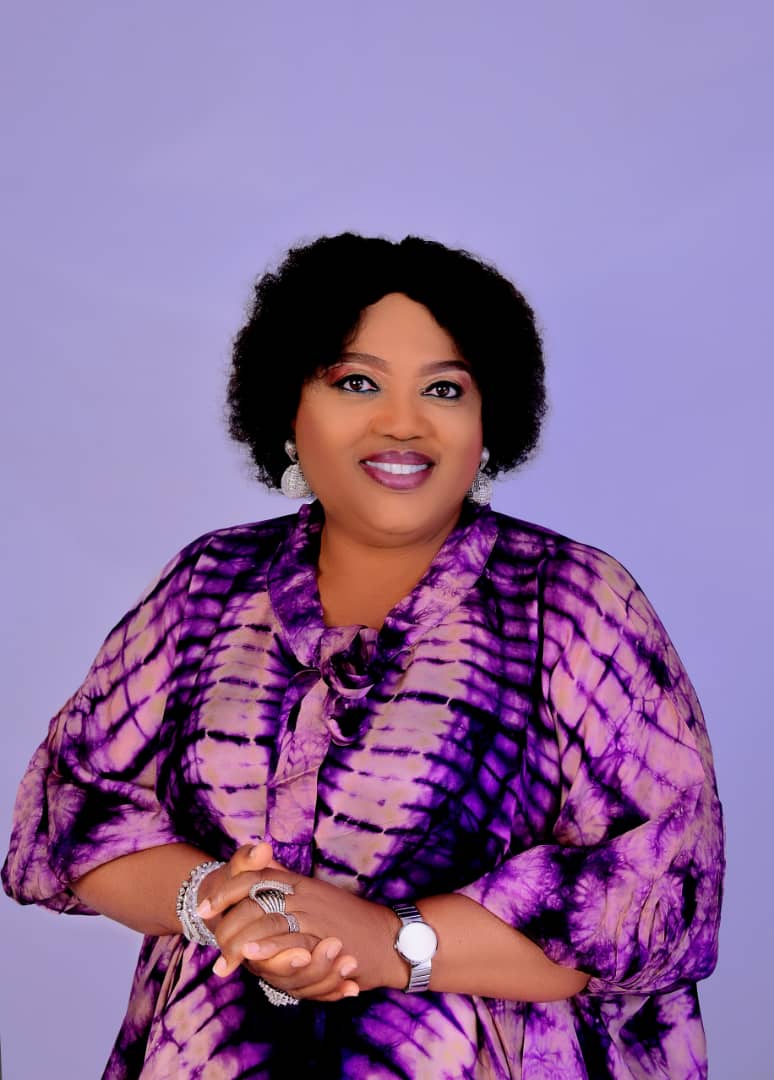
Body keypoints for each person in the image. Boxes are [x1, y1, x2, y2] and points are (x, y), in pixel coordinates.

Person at [2, 233, 724, 1079]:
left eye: (445, 388)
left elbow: (660, 889)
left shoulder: (572, 599)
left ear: (489, 419)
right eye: (356, 381)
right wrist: (223, 904)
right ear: (288, 406)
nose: (403, 421)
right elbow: (73, 814)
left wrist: (392, 942)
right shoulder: (209, 582)